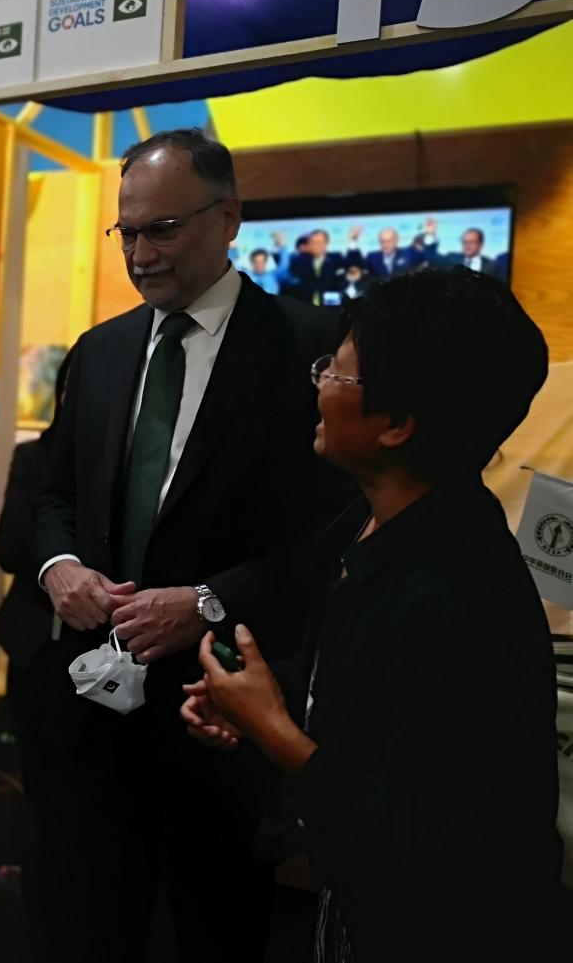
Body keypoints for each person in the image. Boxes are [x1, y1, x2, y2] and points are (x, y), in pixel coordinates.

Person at [182, 268, 563, 961]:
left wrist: (274, 730)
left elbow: (437, 843)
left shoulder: (455, 593)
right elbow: (358, 681)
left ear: (395, 425)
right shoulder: (377, 523)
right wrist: (252, 697)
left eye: (336, 370)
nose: (319, 382)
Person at [34, 128, 349, 963]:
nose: (140, 255)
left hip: (224, 713)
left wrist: (209, 601)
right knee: (86, 924)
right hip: (92, 707)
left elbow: (334, 535)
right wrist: (59, 567)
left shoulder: (310, 350)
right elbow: (52, 496)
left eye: (163, 230)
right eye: (127, 232)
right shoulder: (100, 352)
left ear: (229, 217)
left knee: (216, 930)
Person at [0, 351, 71, 957]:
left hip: (109, 648)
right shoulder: (35, 457)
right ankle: (32, 897)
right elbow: (9, 548)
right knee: (35, 777)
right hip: (36, 639)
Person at [425, 221, 506, 279]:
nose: (467, 245)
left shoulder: (492, 267)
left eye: (471, 242)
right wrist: (431, 234)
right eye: (465, 242)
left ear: (480, 244)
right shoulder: (452, 258)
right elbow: (432, 258)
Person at [289, 228, 348, 303]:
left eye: (319, 242)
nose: (316, 246)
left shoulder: (336, 258)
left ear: (326, 244)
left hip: (330, 305)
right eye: (313, 243)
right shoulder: (300, 261)